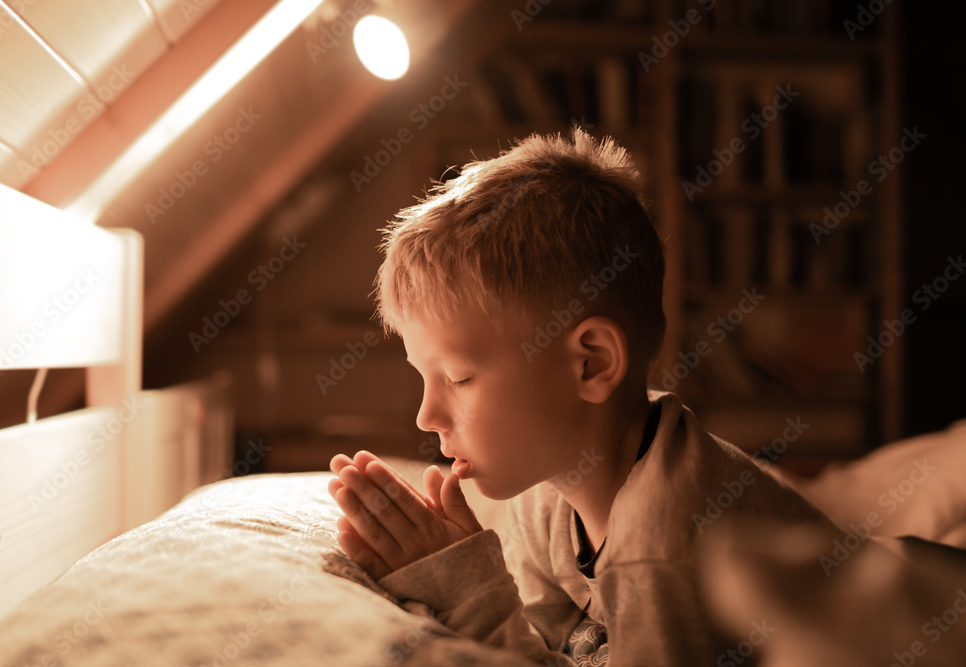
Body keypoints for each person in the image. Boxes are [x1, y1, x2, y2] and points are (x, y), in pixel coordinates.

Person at [327, 128, 835, 665]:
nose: (426, 417)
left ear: (591, 364)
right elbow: (549, 650)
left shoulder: (660, 550)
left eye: (458, 378)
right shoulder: (543, 492)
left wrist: (467, 590)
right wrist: (464, 567)